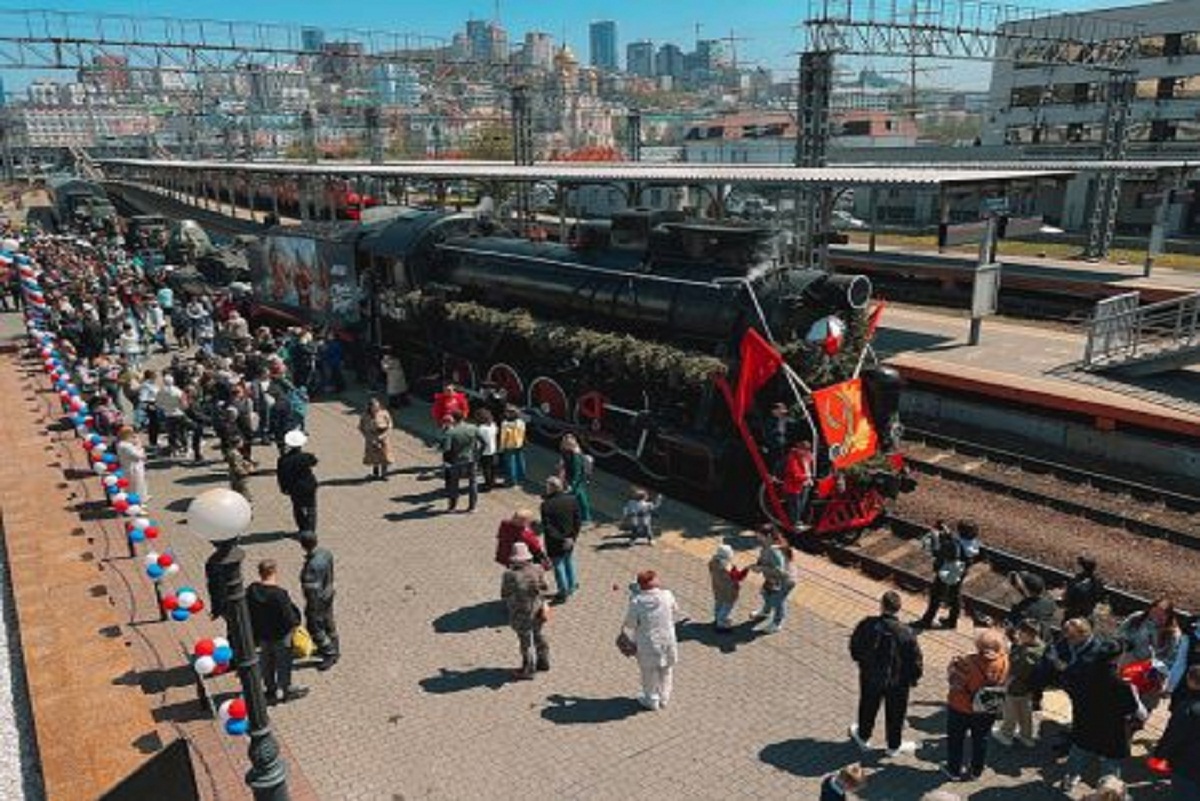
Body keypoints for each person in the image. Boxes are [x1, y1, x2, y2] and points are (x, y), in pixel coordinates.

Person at [1061, 639, 1147, 793]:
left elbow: (1070, 688)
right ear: (1117, 658)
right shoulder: (1123, 687)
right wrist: (1135, 694)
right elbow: (1139, 714)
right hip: (1112, 732)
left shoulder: (1082, 673)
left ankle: (1070, 779)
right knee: (1110, 765)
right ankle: (1107, 794)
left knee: (1079, 753)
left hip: (1084, 724)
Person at [849, 590, 923, 757]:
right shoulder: (907, 632)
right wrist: (912, 679)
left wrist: (862, 664)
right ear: (899, 608)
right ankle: (893, 746)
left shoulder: (867, 624)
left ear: (882, 606)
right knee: (896, 713)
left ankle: (863, 737)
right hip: (898, 682)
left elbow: (855, 647)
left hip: (870, 677)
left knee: (868, 706)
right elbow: (916, 661)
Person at [944, 629, 1010, 782]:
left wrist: (952, 666)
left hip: (961, 708)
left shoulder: (966, 662)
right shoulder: (1004, 661)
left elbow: (954, 683)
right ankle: (976, 771)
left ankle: (954, 771)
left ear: (978, 646)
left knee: (956, 739)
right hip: (987, 708)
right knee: (981, 739)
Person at [247, 559, 308, 704]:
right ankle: (286, 690)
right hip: (281, 636)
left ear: (260, 573)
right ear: (274, 571)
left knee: (266, 663)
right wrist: (295, 625)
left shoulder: (252, 590)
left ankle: (270, 690)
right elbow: (290, 618)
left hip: (263, 635)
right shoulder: (279, 594)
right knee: (283, 663)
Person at [621, 570, 679, 711]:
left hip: (648, 644)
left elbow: (630, 624)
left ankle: (651, 700)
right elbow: (676, 609)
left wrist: (634, 598)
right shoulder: (667, 595)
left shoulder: (637, 601)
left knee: (649, 674)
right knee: (666, 670)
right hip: (667, 641)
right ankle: (664, 698)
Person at [915, 520, 980, 631]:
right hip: (961, 571)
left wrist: (938, 537)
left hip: (947, 571)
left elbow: (939, 552)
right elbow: (958, 541)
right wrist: (946, 532)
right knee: (955, 594)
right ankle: (952, 621)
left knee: (936, 595)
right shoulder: (973, 544)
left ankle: (926, 620)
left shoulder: (954, 543)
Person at [500, 541, 550, 680]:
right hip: (538, 609)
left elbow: (504, 594)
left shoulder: (510, 575)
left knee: (526, 641)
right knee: (539, 635)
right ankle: (544, 661)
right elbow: (545, 587)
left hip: (520, 613)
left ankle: (528, 669)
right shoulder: (538, 569)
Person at [994, 619, 1046, 747]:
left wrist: (1003, 685)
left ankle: (1006, 734)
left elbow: (1013, 672)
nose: (1018, 635)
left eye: (1020, 633)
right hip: (1030, 688)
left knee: (1010, 711)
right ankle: (1026, 736)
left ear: (1027, 634)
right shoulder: (1042, 647)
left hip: (1015, 687)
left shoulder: (1025, 653)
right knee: (1025, 711)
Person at [1153, 664, 1200, 801]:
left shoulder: (1186, 708)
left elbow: (1174, 736)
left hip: (1187, 766)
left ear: (1190, 681)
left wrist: (1159, 754)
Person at [298, 530, 339, 672]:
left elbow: (311, 592)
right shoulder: (326, 553)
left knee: (314, 628)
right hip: (329, 593)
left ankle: (329, 652)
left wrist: (312, 610)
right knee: (329, 622)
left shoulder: (311, 568)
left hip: (318, 600)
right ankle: (335, 647)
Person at [748, 525, 798, 634]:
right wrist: (757, 565)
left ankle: (777, 623)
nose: (758, 539)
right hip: (773, 579)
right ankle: (765, 613)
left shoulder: (774, 549)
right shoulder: (766, 546)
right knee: (766, 593)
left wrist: (761, 568)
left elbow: (780, 571)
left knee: (777, 601)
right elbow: (763, 559)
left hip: (785, 581)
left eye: (760, 536)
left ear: (769, 536)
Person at [540, 477, 581, 603]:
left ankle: (563, 592)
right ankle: (572, 585)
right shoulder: (572, 499)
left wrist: (561, 538)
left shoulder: (546, 505)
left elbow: (548, 527)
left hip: (555, 542)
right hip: (570, 540)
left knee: (558, 566)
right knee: (568, 561)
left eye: (547, 486)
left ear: (551, 488)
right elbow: (578, 521)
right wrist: (571, 537)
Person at [276, 430, 319, 535]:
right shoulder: (306, 457)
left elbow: (281, 476)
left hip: (294, 488)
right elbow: (315, 461)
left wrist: (283, 488)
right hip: (309, 486)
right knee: (311, 507)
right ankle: (311, 530)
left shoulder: (282, 460)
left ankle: (302, 529)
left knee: (298, 508)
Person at [440, 410, 482, 512]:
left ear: (453, 419)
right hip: (471, 459)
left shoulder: (451, 432)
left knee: (454, 484)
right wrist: (478, 455)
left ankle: (452, 507)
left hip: (456, 460)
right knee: (473, 483)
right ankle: (472, 507)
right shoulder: (473, 428)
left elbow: (446, 449)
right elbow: (483, 442)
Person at [1003, 571, 1058, 641]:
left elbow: (1011, 626)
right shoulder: (1049, 603)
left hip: (1024, 641)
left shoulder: (1024, 609)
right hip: (1043, 641)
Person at [708, 544, 748, 631]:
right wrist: (746, 569)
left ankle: (717, 618)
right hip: (729, 592)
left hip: (717, 588)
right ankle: (721, 624)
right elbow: (738, 577)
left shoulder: (712, 562)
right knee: (727, 608)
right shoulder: (729, 568)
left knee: (718, 604)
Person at [558, 434, 593, 525]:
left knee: (571, 498)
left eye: (568, 443)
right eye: (565, 443)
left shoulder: (575, 455)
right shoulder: (566, 451)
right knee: (580, 498)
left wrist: (572, 484)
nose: (566, 445)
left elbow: (577, 471)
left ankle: (576, 518)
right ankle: (585, 518)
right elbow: (565, 462)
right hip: (573, 478)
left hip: (575, 480)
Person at [780, 440, 815, 530]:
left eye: (807, 450)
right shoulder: (792, 458)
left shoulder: (806, 457)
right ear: (799, 449)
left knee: (801, 504)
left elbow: (809, 463)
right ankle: (794, 523)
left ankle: (797, 521)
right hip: (793, 486)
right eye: (803, 450)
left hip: (803, 484)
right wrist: (806, 476)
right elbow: (795, 474)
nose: (805, 452)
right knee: (795, 505)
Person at [358, 397, 393, 481]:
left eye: (377, 406)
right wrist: (368, 436)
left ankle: (384, 474)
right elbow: (361, 427)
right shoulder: (365, 415)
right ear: (370, 407)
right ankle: (375, 473)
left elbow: (390, 425)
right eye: (374, 407)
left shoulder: (384, 413)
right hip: (371, 437)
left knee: (385, 456)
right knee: (374, 457)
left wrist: (384, 435)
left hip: (383, 437)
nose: (376, 408)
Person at [1061, 555, 1105, 622]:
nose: (1076, 567)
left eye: (1078, 565)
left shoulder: (1075, 583)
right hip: (1087, 616)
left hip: (1073, 616)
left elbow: (1067, 599)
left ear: (1082, 568)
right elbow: (1099, 598)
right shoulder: (1098, 582)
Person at [115, 426, 149, 503]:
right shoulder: (126, 446)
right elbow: (138, 455)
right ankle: (137, 502)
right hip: (132, 468)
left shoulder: (122, 443)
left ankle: (142, 498)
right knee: (136, 486)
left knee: (138, 484)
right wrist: (139, 447)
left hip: (130, 467)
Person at [497, 404, 527, 486]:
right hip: (519, 444)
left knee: (510, 464)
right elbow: (523, 433)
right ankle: (521, 478)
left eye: (507, 412)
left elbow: (503, 437)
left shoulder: (505, 424)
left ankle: (511, 481)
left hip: (509, 445)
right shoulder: (521, 422)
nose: (505, 413)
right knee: (520, 461)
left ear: (511, 414)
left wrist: (501, 447)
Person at [475, 408, 498, 491]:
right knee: (493, 468)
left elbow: (479, 442)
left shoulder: (480, 429)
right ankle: (492, 482)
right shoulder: (493, 425)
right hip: (493, 449)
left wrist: (477, 454)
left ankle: (488, 485)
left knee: (486, 469)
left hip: (484, 452)